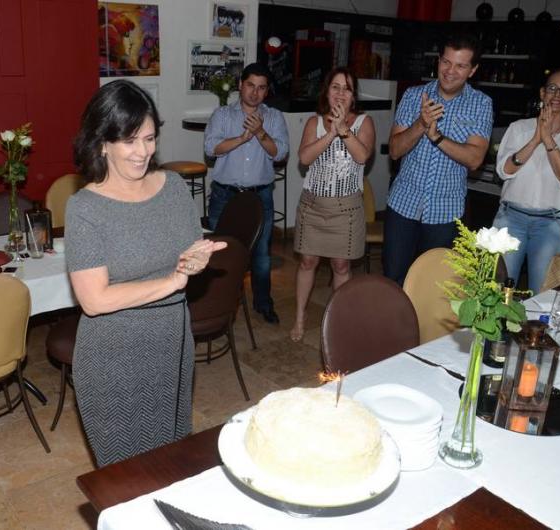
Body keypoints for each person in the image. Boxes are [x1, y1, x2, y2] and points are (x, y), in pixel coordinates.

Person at [65, 80, 226, 467]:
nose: (143, 152)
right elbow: (94, 300)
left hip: (172, 343)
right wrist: (173, 281)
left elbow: (188, 252)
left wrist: (196, 261)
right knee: (125, 475)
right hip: (113, 357)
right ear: (103, 143)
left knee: (173, 460)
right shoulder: (85, 208)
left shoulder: (174, 187)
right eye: (130, 141)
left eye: (150, 138)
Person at [384, 34, 493, 285]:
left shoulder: (481, 104)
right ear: (438, 61)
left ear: (472, 70)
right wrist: (421, 124)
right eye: (446, 62)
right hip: (403, 204)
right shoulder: (414, 95)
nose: (450, 71)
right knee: (393, 280)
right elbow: (395, 150)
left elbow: (475, 159)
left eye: (460, 65)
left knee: (432, 286)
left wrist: (437, 138)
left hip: (445, 212)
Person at [291, 67, 376, 342]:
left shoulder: (364, 122)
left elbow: (362, 157)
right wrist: (330, 133)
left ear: (353, 96)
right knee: (307, 261)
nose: (340, 93)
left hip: (346, 210)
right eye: (335, 87)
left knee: (341, 266)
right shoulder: (314, 122)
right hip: (312, 206)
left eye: (346, 88)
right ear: (326, 92)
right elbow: (304, 158)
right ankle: (300, 317)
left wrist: (344, 130)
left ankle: (338, 320)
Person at [204, 62, 290, 324]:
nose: (255, 92)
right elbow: (210, 148)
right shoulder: (222, 115)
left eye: (261, 88)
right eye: (250, 85)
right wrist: (242, 138)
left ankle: (263, 303)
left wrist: (260, 132)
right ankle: (218, 303)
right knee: (220, 253)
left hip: (259, 196)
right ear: (240, 85)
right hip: (224, 195)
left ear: (267, 91)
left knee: (261, 255)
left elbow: (281, 153)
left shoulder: (274, 117)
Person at [493, 68, 560, 292]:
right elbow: (504, 171)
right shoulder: (519, 128)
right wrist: (535, 139)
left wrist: (547, 139)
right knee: (497, 291)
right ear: (542, 93)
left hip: (551, 223)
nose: (557, 95)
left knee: (542, 294)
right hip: (510, 218)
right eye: (552, 88)